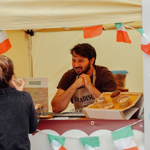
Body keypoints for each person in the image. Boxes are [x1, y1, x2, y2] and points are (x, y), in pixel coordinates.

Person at [51, 43, 117, 113]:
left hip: (101, 120)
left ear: (92, 60)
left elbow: (112, 105)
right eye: (74, 60)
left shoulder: (104, 74)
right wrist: (74, 86)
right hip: (79, 121)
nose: (76, 65)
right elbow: (56, 108)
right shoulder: (69, 76)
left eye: (80, 61)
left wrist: (89, 86)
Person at [0, 55, 38, 150]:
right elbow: (32, 128)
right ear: (12, 77)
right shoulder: (25, 97)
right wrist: (20, 94)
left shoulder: (24, 97)